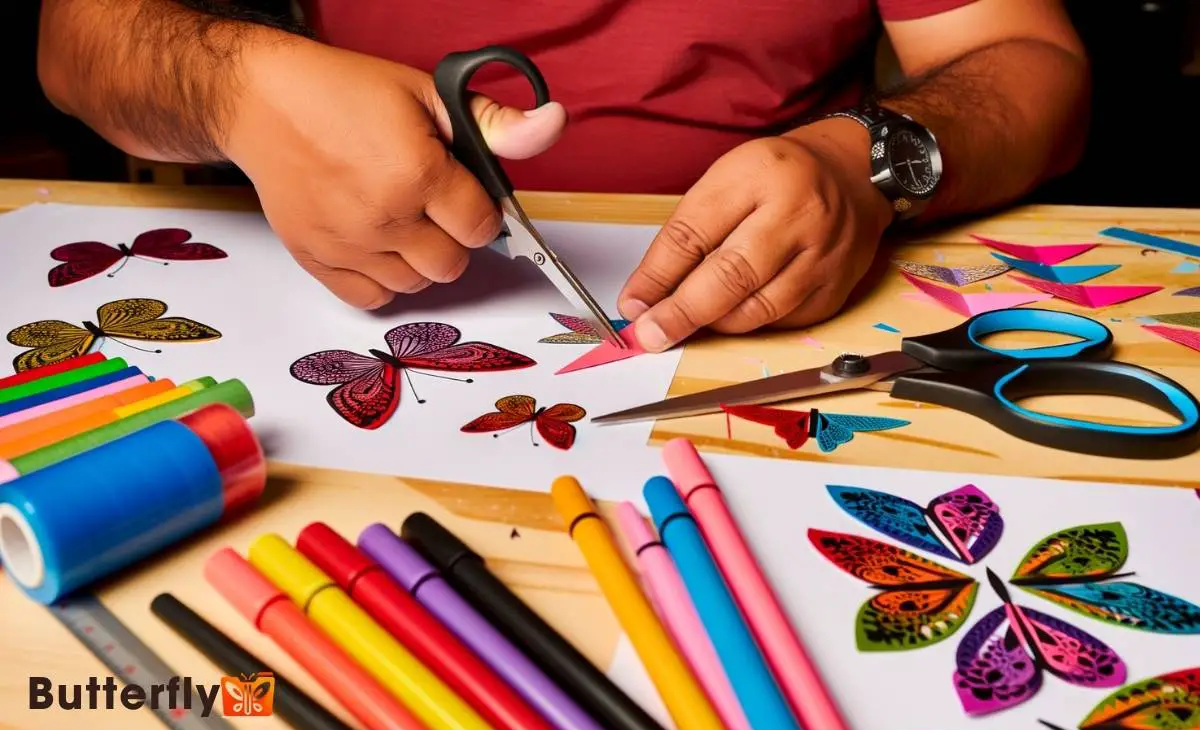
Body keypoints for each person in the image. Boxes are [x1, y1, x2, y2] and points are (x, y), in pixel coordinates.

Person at [37, 0, 1089, 353]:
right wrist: (233, 85)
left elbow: (1033, 60)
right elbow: (77, 37)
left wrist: (869, 158)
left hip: (778, 305)